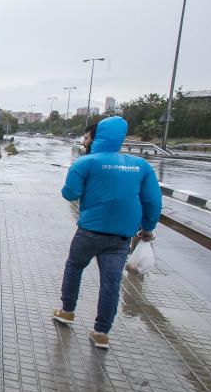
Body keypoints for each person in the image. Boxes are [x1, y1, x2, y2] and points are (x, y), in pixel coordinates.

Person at [52, 116, 162, 349]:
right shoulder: (140, 166)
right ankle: (101, 333)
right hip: (122, 236)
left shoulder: (86, 163)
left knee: (74, 267)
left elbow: (69, 193)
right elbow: (152, 200)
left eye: (87, 135)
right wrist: (148, 228)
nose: (84, 139)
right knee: (111, 282)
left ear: (98, 135)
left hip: (90, 230)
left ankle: (67, 311)